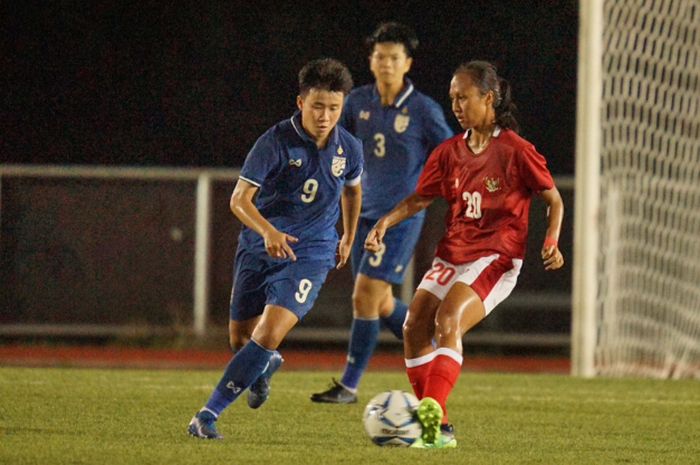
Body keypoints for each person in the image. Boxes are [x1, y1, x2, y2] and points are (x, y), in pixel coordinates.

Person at [364, 60, 565, 448]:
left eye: (464, 97)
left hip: (497, 256)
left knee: (448, 319)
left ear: (488, 98)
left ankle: (428, 419)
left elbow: (553, 199)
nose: (456, 106)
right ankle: (439, 430)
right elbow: (421, 198)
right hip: (453, 254)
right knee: (413, 325)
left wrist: (552, 241)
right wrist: (384, 223)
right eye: (452, 98)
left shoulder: (515, 150)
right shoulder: (448, 152)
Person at [187, 58, 363, 439]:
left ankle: (207, 415)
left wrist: (348, 235)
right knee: (240, 340)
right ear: (300, 103)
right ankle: (263, 367)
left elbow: (352, 189)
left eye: (334, 108)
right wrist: (267, 231)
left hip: (311, 252)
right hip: (259, 245)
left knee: (268, 333)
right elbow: (238, 200)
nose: (325, 115)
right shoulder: (274, 142)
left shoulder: (349, 148)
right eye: (318, 106)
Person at [310, 22, 453, 404]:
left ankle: (349, 386)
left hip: (402, 218)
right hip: (364, 214)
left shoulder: (423, 110)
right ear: (371, 62)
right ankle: (437, 343)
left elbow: (451, 155)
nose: (386, 63)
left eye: (394, 57)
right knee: (380, 301)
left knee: (364, 294)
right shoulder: (357, 102)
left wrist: (439, 192)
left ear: (407, 63)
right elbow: (335, 146)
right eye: (380, 57)